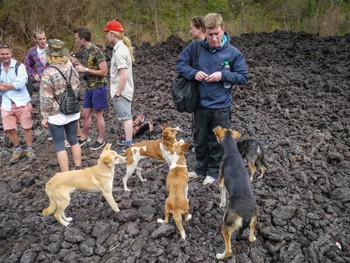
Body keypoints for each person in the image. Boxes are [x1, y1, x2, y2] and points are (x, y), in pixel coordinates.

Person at [176, 13, 248, 185]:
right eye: (210, 34)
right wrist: (194, 73)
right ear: (204, 32)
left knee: (217, 142)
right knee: (200, 138)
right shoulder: (196, 48)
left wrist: (222, 75)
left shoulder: (233, 53)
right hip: (200, 105)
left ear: (223, 29)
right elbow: (180, 64)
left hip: (221, 106)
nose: (214, 38)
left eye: (217, 33)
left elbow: (243, 77)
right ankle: (201, 168)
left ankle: (214, 171)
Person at [40, 39, 82, 172]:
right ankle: (78, 168)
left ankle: (66, 175)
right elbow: (77, 89)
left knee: (59, 145)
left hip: (56, 114)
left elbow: (46, 98)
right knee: (74, 140)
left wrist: (45, 116)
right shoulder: (71, 69)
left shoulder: (48, 73)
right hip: (72, 110)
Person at [71, 28, 108, 151]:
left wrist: (85, 70)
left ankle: (100, 140)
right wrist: (77, 64)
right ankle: (84, 137)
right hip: (89, 88)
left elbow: (104, 72)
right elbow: (86, 67)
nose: (75, 40)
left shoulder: (97, 51)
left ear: (82, 39)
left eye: (77, 38)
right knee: (85, 114)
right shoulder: (85, 51)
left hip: (98, 88)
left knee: (98, 115)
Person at [0, 43, 36, 164]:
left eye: (7, 53)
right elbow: (15, 85)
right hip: (6, 104)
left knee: (26, 127)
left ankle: (29, 148)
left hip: (21, 102)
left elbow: (20, 85)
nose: (5, 56)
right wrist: (12, 85)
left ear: (11, 53)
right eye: (2, 54)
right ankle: (17, 149)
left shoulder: (19, 66)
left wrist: (3, 85)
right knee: (9, 129)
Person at [103, 20, 135, 151]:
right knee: (125, 117)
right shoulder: (121, 49)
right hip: (123, 90)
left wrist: (117, 94)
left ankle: (129, 143)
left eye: (107, 33)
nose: (106, 36)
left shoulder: (120, 52)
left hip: (121, 91)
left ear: (112, 34)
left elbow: (123, 76)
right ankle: (128, 140)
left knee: (126, 118)